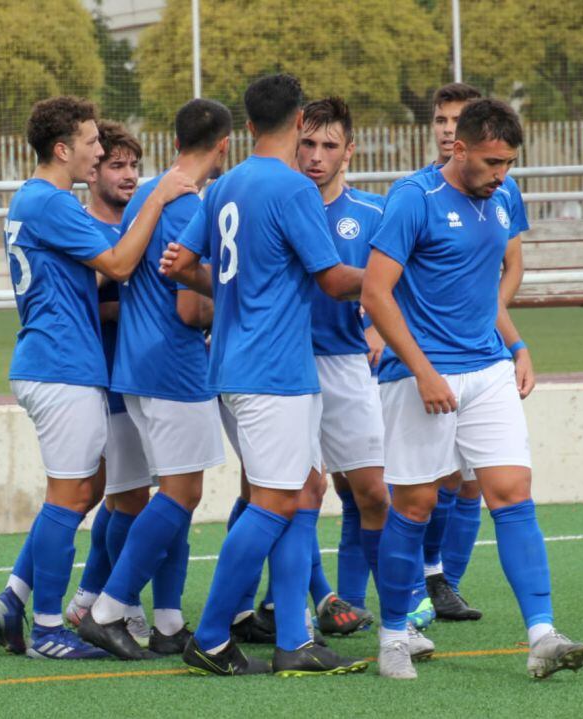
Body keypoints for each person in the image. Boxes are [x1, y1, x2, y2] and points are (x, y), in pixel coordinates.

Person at [361, 98, 583, 680]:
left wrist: (517, 345)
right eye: (492, 162)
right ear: (459, 148)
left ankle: (542, 634)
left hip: (487, 369)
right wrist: (422, 371)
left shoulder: (504, 196)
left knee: (512, 494)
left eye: (509, 163)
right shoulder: (413, 198)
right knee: (413, 505)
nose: (501, 174)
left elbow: (486, 286)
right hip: (422, 377)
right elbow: (376, 294)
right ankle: (394, 635)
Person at [162, 73, 367, 677]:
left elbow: (184, 265)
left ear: (249, 125)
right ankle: (210, 637)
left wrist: (242, 291)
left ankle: (294, 641)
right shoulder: (295, 188)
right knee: (274, 501)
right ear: (301, 120)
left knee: (304, 491)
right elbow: (334, 280)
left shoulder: (225, 185)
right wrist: (395, 273)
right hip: (270, 372)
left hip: (245, 365)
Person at [0, 96, 195, 660]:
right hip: (60, 365)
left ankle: (16, 599)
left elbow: (92, 280)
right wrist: (158, 198)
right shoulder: (50, 201)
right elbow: (119, 264)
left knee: (82, 491)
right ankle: (50, 628)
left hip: (55, 363)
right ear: (62, 149)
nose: (99, 151)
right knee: (71, 496)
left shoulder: (34, 199)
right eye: (92, 142)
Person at [78, 99, 233, 660]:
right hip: (174, 365)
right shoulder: (189, 204)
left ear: (176, 142)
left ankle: (167, 621)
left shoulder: (148, 196)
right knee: (180, 494)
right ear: (223, 146)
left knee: (166, 497)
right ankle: (107, 608)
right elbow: (191, 309)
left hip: (135, 367)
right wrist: (233, 303)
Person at [294, 97, 405, 641]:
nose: (316, 156)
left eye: (328, 145)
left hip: (345, 366)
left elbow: (401, 282)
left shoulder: (373, 213)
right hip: (285, 367)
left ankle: (396, 616)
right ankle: (303, 605)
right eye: (308, 143)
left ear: (349, 151)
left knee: (374, 493)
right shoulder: (281, 205)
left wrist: (379, 328)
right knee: (300, 496)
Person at [62, 121, 155, 650]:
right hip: (105, 379)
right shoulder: (82, 229)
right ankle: (122, 607)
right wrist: (130, 310)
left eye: (133, 165)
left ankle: (89, 596)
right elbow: (74, 306)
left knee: (118, 497)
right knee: (126, 497)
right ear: (91, 173)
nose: (128, 175)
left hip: (144, 375)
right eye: (116, 165)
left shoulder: (138, 224)